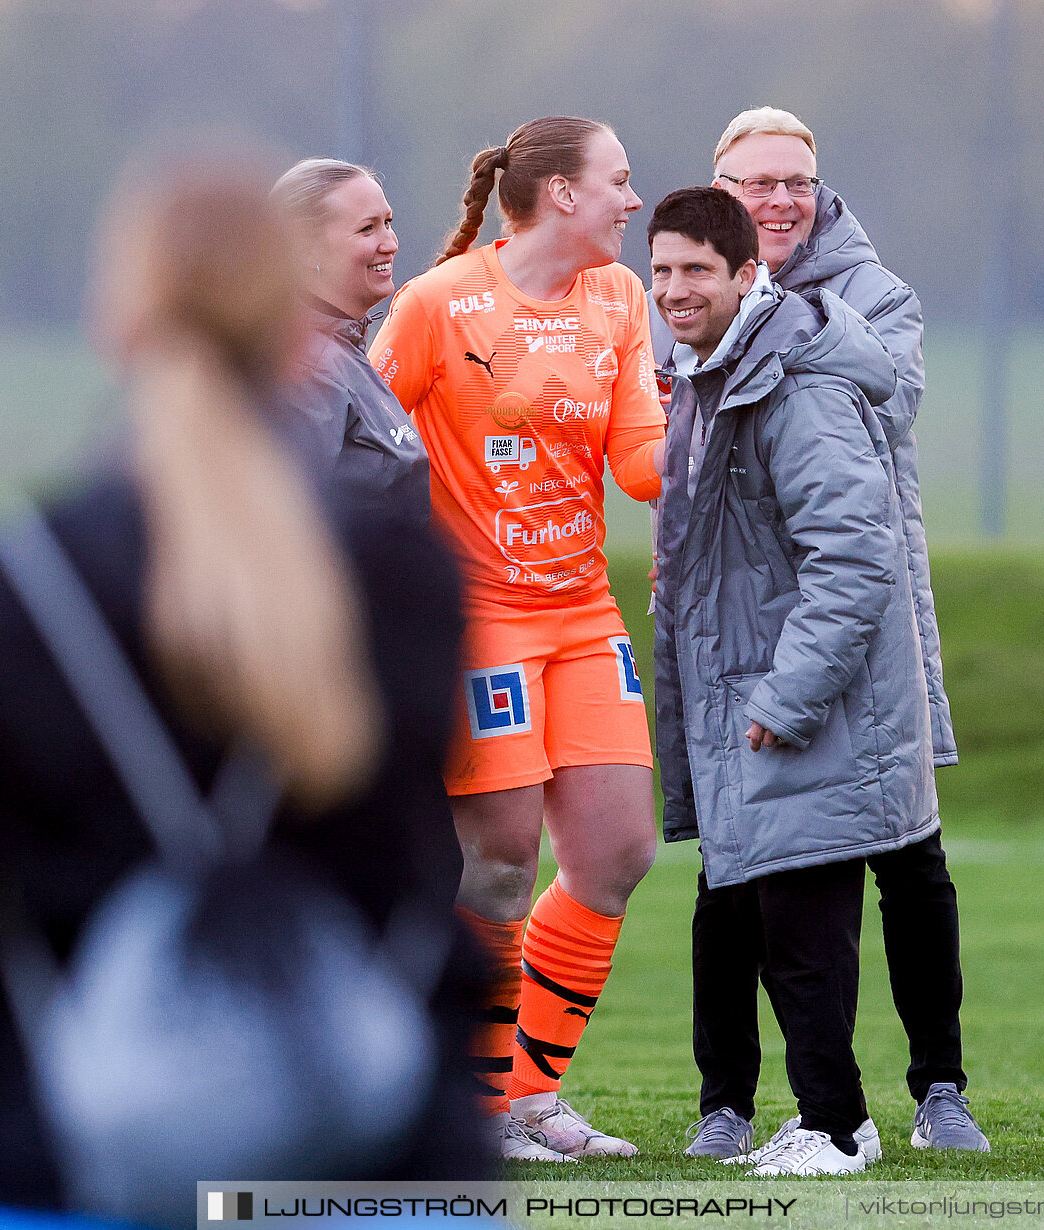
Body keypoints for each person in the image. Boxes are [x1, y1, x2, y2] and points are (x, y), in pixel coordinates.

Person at [0, 149, 483, 1229]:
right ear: (284, 319)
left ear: (114, 320)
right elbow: (415, 887)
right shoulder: (402, 577)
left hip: (64, 1163)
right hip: (367, 1164)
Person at [674, 107, 989, 1160]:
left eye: (793, 181)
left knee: (907, 858)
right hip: (735, 629)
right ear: (719, 191)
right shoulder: (688, 291)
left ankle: (939, 1088)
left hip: (861, 621)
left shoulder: (869, 294)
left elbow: (888, 395)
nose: (775, 200)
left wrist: (778, 319)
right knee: (730, 871)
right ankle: (726, 1100)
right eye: (753, 183)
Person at [369, 116, 664, 1162]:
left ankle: (527, 1098)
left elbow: (639, 463)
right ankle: (461, 1103)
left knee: (619, 852)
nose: (635, 200)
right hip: (479, 618)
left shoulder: (620, 298)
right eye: (620, 181)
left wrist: (734, 418)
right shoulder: (439, 303)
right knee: (497, 864)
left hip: (582, 614)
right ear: (564, 195)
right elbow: (360, 439)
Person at [272, 158, 430, 528]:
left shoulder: (341, 351)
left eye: (387, 223)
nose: (390, 243)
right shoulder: (308, 370)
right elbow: (289, 526)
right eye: (366, 229)